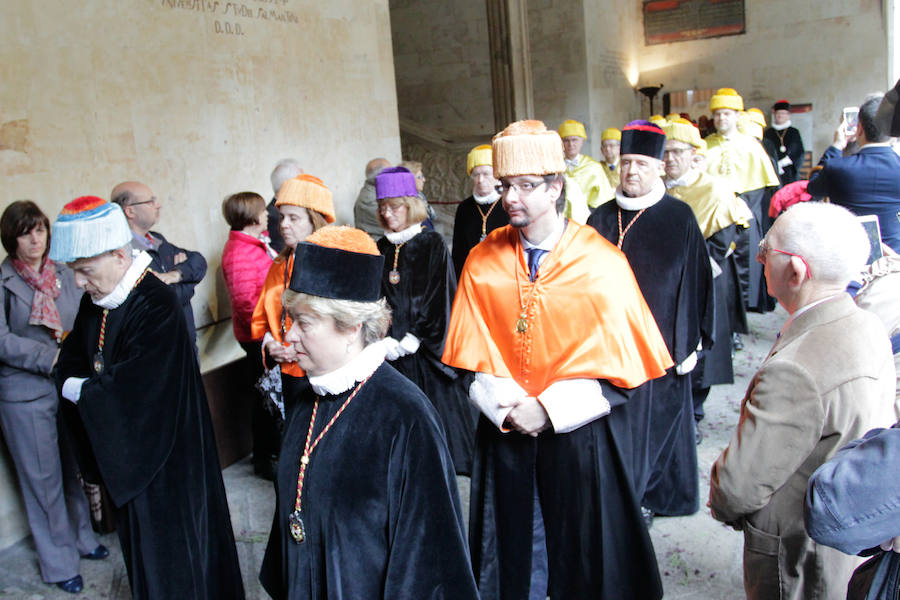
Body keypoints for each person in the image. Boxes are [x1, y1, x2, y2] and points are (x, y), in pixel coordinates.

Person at [442, 119, 673, 600]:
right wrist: (507, 407)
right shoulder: (482, 259)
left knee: (583, 553)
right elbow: (467, 354)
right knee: (510, 556)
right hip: (504, 430)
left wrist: (547, 409)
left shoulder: (601, 263)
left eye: (526, 186)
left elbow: (623, 369)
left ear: (556, 187)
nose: (511, 199)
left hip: (578, 436)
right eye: (506, 186)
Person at [258, 225, 478, 599]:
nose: (289, 335)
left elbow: (427, 562)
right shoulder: (305, 398)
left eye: (304, 323)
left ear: (351, 326)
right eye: (290, 320)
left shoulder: (406, 416)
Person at [51, 196, 244, 599]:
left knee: (177, 561)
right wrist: (79, 384)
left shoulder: (157, 303)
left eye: (85, 271)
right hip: (132, 459)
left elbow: (138, 393)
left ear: (120, 255)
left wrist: (79, 389)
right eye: (74, 273)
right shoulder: (98, 302)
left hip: (167, 461)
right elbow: (68, 360)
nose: (79, 284)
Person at [709, 202, 897, 600]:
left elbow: (737, 487)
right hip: (846, 529)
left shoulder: (795, 370)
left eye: (766, 251)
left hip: (796, 552)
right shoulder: (865, 321)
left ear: (796, 270)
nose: (759, 258)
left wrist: (722, 500)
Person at [588, 120, 713, 519]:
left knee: (657, 423)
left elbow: (695, 282)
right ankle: (619, 491)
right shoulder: (600, 218)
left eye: (641, 163)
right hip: (608, 341)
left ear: (659, 167)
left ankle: (649, 496)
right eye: (626, 162)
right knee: (614, 421)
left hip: (660, 340)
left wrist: (689, 342)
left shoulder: (679, 217)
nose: (631, 172)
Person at [0, 201, 107, 594]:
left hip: (67, 384)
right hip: (24, 394)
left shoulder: (64, 272)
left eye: (40, 230)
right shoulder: (4, 282)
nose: (35, 239)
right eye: (25, 232)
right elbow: (1, 340)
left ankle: (83, 538)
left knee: (72, 466)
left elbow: (84, 318)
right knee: (42, 481)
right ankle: (59, 561)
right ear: (11, 238)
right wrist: (51, 356)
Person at [374, 166, 476, 475]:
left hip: (424, 348)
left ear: (411, 205)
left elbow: (441, 294)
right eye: (383, 208)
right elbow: (375, 298)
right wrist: (384, 337)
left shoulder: (431, 243)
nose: (388, 214)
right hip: (391, 348)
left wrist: (414, 338)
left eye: (395, 206)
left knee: (439, 414)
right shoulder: (380, 247)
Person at [661, 117, 752, 427]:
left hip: (704, 281)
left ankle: (695, 414)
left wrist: (685, 274)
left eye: (676, 152)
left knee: (701, 351)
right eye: (665, 152)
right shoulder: (656, 189)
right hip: (662, 285)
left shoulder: (714, 190)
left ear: (694, 155)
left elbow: (723, 242)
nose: (669, 159)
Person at [251, 174, 335, 416]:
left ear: (314, 221)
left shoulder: (334, 264)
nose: (283, 225)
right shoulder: (279, 265)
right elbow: (263, 318)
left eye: (293, 218)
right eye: (282, 217)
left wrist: (301, 347)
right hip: (289, 374)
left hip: (324, 373)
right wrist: (271, 344)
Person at [704, 88, 781, 313]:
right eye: (717, 114)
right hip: (714, 217)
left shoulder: (751, 145)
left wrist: (739, 207)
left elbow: (759, 188)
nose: (721, 118)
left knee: (744, 268)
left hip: (744, 215)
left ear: (738, 115)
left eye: (727, 113)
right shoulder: (706, 145)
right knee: (719, 269)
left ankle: (741, 319)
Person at [221, 191, 279, 480]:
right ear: (252, 217)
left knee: (268, 395)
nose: (268, 214)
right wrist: (268, 336)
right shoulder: (240, 253)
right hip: (259, 337)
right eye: (262, 210)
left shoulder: (252, 243)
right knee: (266, 398)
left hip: (267, 333)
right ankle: (265, 458)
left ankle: (270, 453)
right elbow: (246, 303)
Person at [110, 180, 207, 348]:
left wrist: (176, 274)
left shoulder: (157, 239)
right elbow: (163, 300)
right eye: (150, 201)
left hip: (186, 341)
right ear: (130, 211)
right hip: (162, 348)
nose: (158, 205)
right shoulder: (123, 255)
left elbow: (198, 261)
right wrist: (189, 284)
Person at [807, 94, 900, 253]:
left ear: (859, 129)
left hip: (850, 254)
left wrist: (836, 146)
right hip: (895, 254)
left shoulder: (838, 167)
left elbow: (813, 189)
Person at [451, 144, 508, 279]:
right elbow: (458, 251)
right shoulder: (464, 207)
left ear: (497, 175)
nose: (480, 180)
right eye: (476, 175)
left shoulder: (508, 203)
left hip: (504, 275)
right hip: (472, 276)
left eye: (486, 174)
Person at [558, 118, 614, 221]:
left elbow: (604, 200)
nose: (571, 144)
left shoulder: (594, 167)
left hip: (587, 221)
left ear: (582, 141)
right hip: (559, 220)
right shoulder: (554, 168)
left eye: (574, 140)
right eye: (566, 140)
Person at [764, 99, 805, 185]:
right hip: (773, 172)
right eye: (778, 113)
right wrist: (775, 165)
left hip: (789, 173)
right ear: (774, 115)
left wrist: (785, 162)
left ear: (788, 115)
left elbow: (799, 153)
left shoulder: (794, 132)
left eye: (783, 113)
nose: (780, 116)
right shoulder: (768, 133)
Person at [267, 159, 304, 253]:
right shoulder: (274, 216)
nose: (304, 187)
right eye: (301, 182)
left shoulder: (277, 211)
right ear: (289, 185)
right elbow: (281, 255)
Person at [354, 157, 391, 239]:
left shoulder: (378, 192)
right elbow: (396, 225)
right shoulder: (368, 200)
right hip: (376, 247)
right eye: (390, 172)